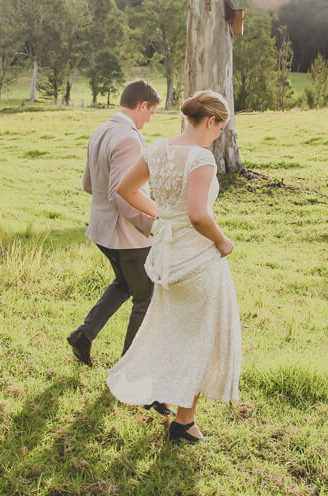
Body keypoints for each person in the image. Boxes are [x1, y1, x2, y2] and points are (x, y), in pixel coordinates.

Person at [106, 89, 241, 444]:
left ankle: (163, 394)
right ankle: (184, 422)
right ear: (211, 120)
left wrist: (163, 216)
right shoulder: (201, 159)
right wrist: (223, 241)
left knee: (173, 329)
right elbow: (198, 215)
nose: (217, 136)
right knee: (199, 338)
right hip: (196, 259)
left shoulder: (158, 148)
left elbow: (125, 188)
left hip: (167, 255)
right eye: (219, 129)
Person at [67, 79, 162, 366]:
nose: (150, 119)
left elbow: (88, 184)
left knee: (124, 283)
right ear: (142, 105)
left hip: (101, 229)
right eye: (151, 112)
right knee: (146, 296)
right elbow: (121, 195)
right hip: (127, 235)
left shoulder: (101, 130)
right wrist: (152, 224)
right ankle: (128, 367)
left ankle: (84, 334)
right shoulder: (128, 137)